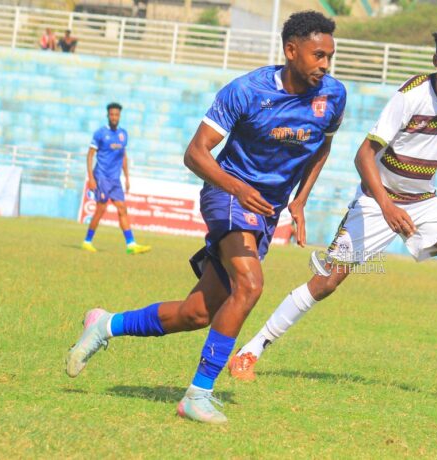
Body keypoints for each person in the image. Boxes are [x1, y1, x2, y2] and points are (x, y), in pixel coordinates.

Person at [66, 11, 346, 424]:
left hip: (265, 209)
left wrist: (300, 200)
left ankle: (106, 324)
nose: (325, 64)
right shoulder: (246, 91)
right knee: (250, 285)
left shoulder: (333, 95)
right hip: (227, 192)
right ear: (291, 50)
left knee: (197, 313)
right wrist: (238, 189)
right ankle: (197, 395)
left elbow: (322, 146)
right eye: (318, 55)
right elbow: (195, 153)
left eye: (329, 56)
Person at [228, 23, 437, 395]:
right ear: (435, 59)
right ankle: (251, 350)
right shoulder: (410, 96)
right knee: (326, 282)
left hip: (423, 201)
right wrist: (386, 207)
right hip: (377, 200)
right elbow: (363, 155)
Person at [81, 103, 151, 255]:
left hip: (115, 180)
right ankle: (87, 241)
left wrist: (127, 177)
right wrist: (91, 178)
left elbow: (123, 156)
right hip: (102, 177)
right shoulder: (100, 133)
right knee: (101, 209)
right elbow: (90, 155)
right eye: (111, 114)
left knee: (122, 209)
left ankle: (131, 244)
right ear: (108, 115)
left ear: (120, 116)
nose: (114, 117)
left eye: (116, 115)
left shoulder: (123, 134)